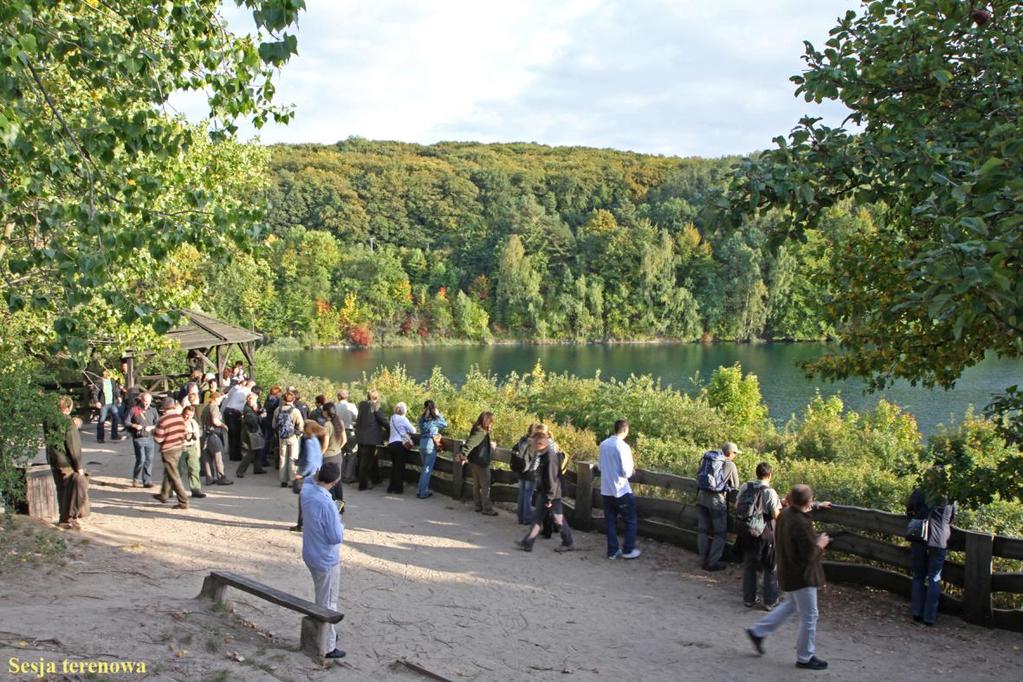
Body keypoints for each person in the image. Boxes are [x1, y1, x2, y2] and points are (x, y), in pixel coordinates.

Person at [746, 484, 830, 671]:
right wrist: (821, 544)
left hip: (787, 570)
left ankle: (757, 632)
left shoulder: (785, 514)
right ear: (807, 501)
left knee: (790, 605)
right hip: (802, 575)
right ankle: (805, 657)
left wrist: (816, 506)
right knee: (810, 616)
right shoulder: (800, 522)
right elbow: (809, 554)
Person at [300, 461, 346, 659]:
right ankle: (327, 645)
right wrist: (340, 521)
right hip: (325, 557)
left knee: (323, 595)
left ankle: (329, 634)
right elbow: (335, 536)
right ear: (335, 481)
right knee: (327, 601)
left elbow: (310, 479)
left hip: (311, 551)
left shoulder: (307, 490)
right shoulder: (327, 503)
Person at [906, 468, 957, 626]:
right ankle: (930, 617)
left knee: (918, 576)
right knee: (934, 578)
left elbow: (909, 509)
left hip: (919, 538)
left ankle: (916, 612)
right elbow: (952, 517)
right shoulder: (950, 497)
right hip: (940, 540)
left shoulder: (920, 492)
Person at [516, 428, 574, 553]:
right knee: (537, 517)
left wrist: (549, 497)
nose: (531, 444)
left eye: (533, 442)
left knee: (558, 519)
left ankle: (568, 542)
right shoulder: (542, 454)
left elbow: (552, 479)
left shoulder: (550, 457)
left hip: (551, 494)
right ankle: (528, 542)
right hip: (545, 492)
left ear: (539, 444)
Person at [737, 462, 782, 608]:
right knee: (770, 566)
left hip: (747, 531)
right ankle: (770, 601)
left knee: (749, 565)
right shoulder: (770, 492)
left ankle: (749, 599)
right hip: (765, 533)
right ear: (769, 475)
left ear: (757, 473)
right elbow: (776, 515)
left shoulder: (746, 487)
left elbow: (737, 505)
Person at [696, 441, 741, 571]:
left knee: (703, 530)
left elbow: (698, 475)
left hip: (702, 497)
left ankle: (702, 559)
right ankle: (712, 562)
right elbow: (735, 485)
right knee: (720, 532)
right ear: (730, 453)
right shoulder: (730, 464)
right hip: (716, 501)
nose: (735, 456)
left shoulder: (710, 459)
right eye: (735, 453)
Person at [598, 419, 640, 560]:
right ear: (625, 430)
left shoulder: (603, 444)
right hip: (620, 490)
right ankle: (628, 550)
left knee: (610, 521)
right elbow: (627, 472)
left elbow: (600, 466)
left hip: (606, 489)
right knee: (631, 520)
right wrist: (632, 471)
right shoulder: (622, 447)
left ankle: (612, 551)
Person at [45, 395, 89, 529]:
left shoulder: (48, 420)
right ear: (68, 408)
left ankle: (63, 517)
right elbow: (73, 446)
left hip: (53, 460)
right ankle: (69, 518)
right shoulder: (68, 423)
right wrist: (79, 466)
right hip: (66, 463)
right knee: (72, 489)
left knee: (61, 490)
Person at [152, 398, 189, 509]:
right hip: (178, 447)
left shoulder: (163, 420)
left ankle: (183, 501)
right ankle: (164, 494)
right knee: (169, 472)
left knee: (173, 475)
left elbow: (158, 439)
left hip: (168, 450)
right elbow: (184, 433)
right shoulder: (180, 418)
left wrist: (153, 431)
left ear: (163, 408)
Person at [291, 421, 328, 532]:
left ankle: (301, 525)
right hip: (316, 473)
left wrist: (301, 473)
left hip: (308, 475)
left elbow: (309, 461)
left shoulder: (308, 441)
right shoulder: (315, 440)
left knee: (304, 502)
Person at [462, 412, 498, 515]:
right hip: (481, 462)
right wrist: (462, 454)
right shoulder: (481, 432)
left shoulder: (477, 429)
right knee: (486, 486)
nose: (492, 423)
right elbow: (470, 444)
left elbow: (476, 443)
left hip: (474, 461)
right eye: (491, 421)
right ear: (487, 421)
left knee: (476, 484)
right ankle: (487, 509)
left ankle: (477, 506)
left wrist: (489, 444)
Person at [354, 390, 388, 491]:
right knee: (367, 462)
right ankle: (364, 484)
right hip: (371, 438)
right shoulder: (375, 405)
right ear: (376, 398)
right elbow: (383, 420)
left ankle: (373, 479)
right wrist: (392, 427)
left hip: (361, 437)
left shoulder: (362, 405)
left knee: (364, 460)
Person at [200, 390, 233, 486]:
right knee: (218, 456)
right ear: (216, 398)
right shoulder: (214, 407)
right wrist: (223, 425)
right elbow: (215, 421)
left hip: (205, 435)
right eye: (220, 399)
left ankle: (209, 478)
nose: (221, 401)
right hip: (213, 434)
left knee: (207, 457)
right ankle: (221, 478)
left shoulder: (206, 408)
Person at [415, 400, 447, 499]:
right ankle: (423, 493)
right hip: (430, 446)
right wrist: (438, 414)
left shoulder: (422, 419)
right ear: (434, 407)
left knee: (425, 469)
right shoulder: (435, 419)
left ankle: (419, 491)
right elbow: (445, 424)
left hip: (422, 445)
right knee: (427, 470)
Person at [126, 391, 158, 488]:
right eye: (144, 401)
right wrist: (134, 425)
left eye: (148, 401)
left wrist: (152, 427)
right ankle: (136, 478)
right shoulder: (134, 409)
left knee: (149, 459)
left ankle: (147, 481)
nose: (146, 403)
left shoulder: (153, 410)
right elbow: (126, 421)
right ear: (141, 400)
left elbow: (158, 423)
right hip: (138, 438)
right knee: (141, 459)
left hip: (149, 437)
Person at [274, 390, 305, 487]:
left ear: (283, 399)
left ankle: (283, 480)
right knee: (293, 458)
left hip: (282, 436)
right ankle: (292, 480)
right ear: (294, 399)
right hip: (293, 437)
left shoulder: (277, 410)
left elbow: (274, 425)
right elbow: (300, 426)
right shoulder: (295, 411)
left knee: (282, 457)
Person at [510, 425, 539, 525]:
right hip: (530, 472)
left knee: (521, 494)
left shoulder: (523, 439)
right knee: (528, 495)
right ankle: (527, 518)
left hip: (520, 470)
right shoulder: (534, 442)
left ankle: (520, 518)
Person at [386, 402, 416, 494]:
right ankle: (398, 489)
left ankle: (391, 487)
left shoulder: (392, 418)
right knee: (400, 467)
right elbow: (413, 430)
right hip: (400, 445)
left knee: (394, 466)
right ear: (404, 410)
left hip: (391, 444)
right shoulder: (403, 419)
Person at [179, 405, 206, 499]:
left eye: (190, 415)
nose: (188, 417)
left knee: (195, 468)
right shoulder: (178, 422)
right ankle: (171, 490)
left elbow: (197, 438)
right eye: (186, 414)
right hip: (180, 448)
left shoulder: (193, 423)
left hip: (192, 446)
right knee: (178, 470)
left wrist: (198, 450)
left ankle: (196, 490)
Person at [236, 392, 267, 477]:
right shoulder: (248, 410)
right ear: (251, 400)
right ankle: (240, 471)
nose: (256, 402)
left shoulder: (249, 408)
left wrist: (256, 411)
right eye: (255, 400)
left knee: (257, 451)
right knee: (251, 452)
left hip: (251, 433)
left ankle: (257, 468)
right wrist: (261, 417)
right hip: (250, 433)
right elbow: (253, 422)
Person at [221, 378, 252, 462]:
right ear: (250, 385)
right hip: (234, 413)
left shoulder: (239, 390)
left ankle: (233, 455)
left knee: (231, 435)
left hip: (228, 411)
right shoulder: (246, 391)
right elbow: (251, 402)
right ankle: (236, 456)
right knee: (236, 435)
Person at [91, 369, 122, 442]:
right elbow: (95, 393)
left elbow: (116, 390)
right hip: (103, 403)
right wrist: (97, 402)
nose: (108, 377)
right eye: (107, 376)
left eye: (109, 376)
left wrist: (118, 396)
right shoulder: (99, 381)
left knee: (116, 417)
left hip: (112, 403)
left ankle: (114, 435)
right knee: (102, 420)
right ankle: (100, 438)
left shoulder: (112, 381)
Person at [336, 389, 359, 483]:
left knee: (340, 453)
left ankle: (340, 475)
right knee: (352, 454)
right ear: (347, 396)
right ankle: (348, 476)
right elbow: (357, 418)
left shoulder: (335, 406)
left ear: (338, 397)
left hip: (338, 432)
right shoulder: (352, 406)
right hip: (350, 431)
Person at [261, 385, 283, 469]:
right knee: (268, 440)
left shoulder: (268, 398)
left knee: (266, 439)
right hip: (271, 421)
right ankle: (263, 458)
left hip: (266, 420)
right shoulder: (276, 400)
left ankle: (263, 457)